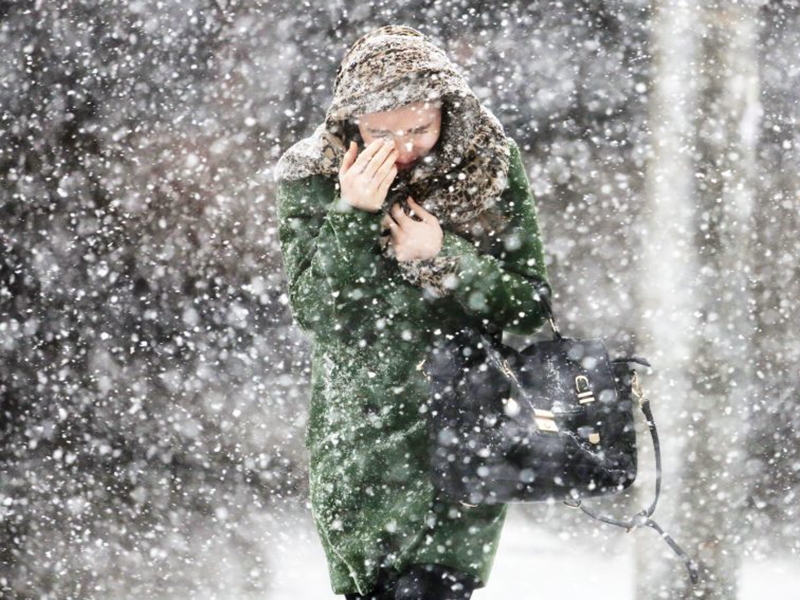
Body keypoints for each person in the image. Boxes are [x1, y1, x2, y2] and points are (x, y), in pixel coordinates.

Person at [275, 26, 550, 599]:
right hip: (361, 440)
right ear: (351, 122)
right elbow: (319, 313)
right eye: (380, 132)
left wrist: (444, 257)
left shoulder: (489, 164)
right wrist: (352, 213)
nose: (402, 147)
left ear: (448, 113)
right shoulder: (312, 175)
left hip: (463, 435)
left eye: (419, 129)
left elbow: (529, 309)